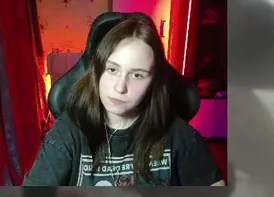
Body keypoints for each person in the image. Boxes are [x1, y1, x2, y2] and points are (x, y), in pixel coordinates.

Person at [23, 15, 225, 187]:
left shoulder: (178, 134)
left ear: (153, 82)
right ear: (97, 72)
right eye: (112, 70)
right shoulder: (67, 132)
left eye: (137, 75)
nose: (120, 88)